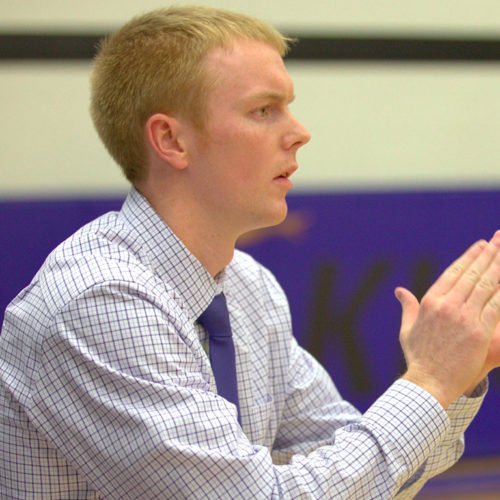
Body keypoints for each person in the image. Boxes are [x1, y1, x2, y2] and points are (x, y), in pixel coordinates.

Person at [1, 6, 499, 499]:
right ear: (171, 140)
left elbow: (369, 480)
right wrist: (432, 379)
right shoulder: (99, 303)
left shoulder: (247, 285)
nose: (299, 133)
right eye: (264, 110)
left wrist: (458, 374)